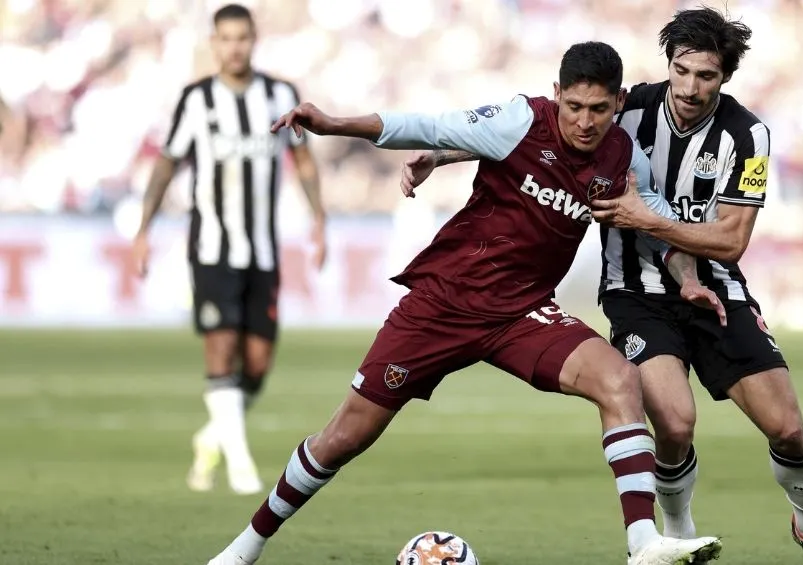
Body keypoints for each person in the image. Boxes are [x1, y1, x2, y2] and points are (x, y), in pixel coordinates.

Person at [205, 41, 725, 565]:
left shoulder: (623, 160)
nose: (584, 122)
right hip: (444, 304)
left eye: (597, 109)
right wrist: (334, 123)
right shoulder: (519, 120)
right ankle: (245, 547)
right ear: (556, 96)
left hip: (523, 313)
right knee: (343, 437)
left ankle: (642, 543)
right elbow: (430, 126)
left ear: (617, 104)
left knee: (619, 380)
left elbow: (659, 224)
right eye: (574, 107)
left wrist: (686, 278)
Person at [412, 8, 803, 565]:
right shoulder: (623, 106)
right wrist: (441, 153)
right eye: (682, 70)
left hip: (716, 287)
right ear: (667, 65)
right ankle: (676, 533)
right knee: (673, 422)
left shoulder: (749, 137)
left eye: (707, 76)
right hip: (634, 292)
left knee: (788, 430)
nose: (691, 87)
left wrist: (646, 219)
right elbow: (531, 129)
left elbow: (730, 241)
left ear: (726, 78)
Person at [132, 4, 327, 496]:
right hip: (212, 248)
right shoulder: (196, 101)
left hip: (262, 250)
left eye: (242, 37)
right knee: (220, 349)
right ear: (214, 43)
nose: (234, 46)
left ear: (253, 40)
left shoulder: (279, 95)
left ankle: (214, 434)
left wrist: (319, 219)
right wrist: (143, 229)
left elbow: (302, 160)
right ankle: (240, 466)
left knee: (257, 365)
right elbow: (166, 164)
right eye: (225, 38)